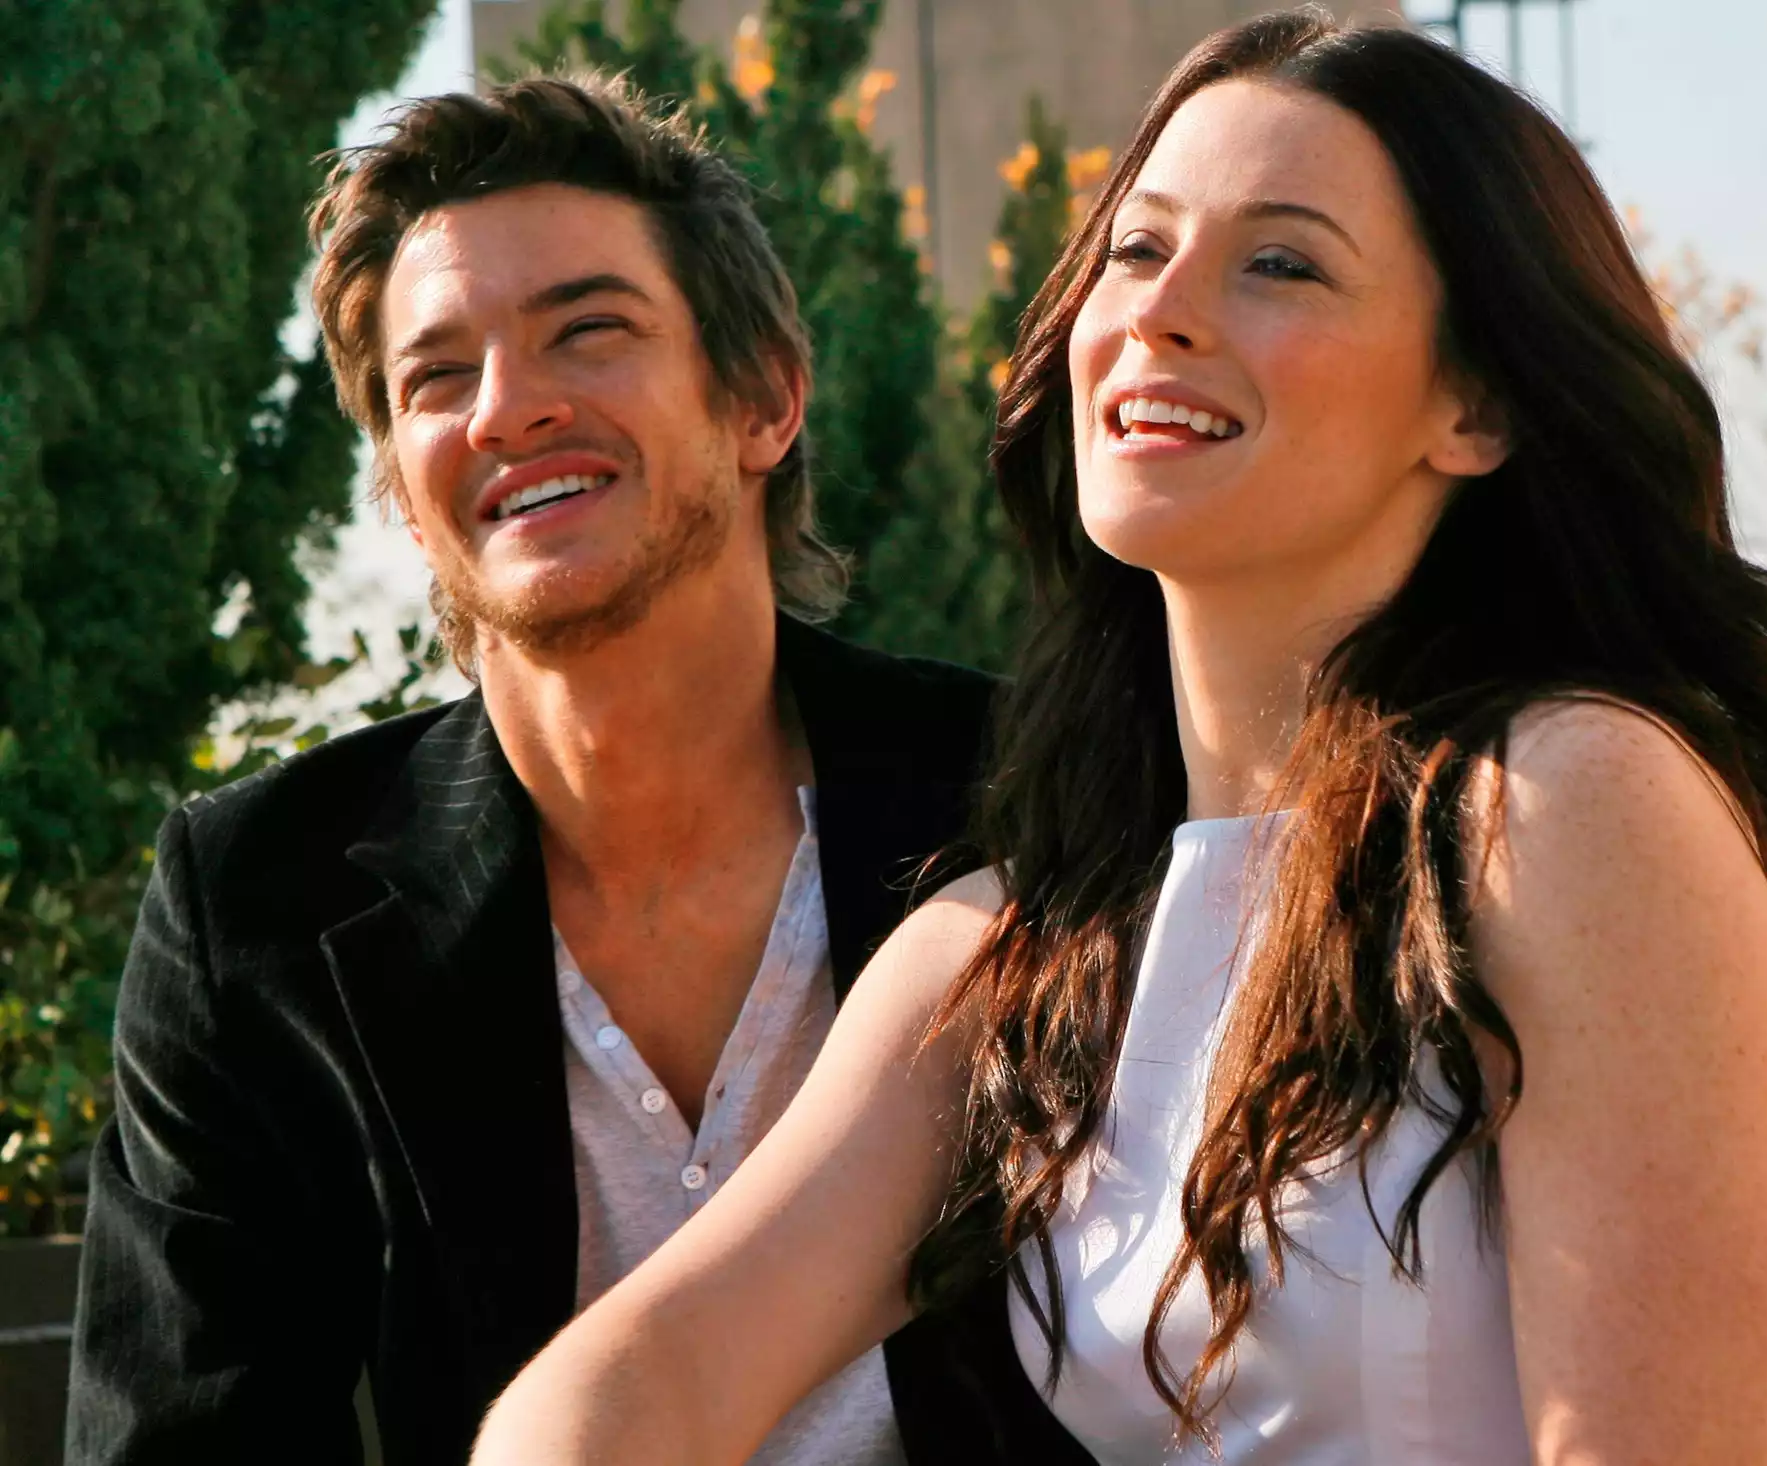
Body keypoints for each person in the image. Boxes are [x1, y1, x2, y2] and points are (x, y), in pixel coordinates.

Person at [470, 12, 1767, 1466]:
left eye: (1281, 263)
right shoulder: (1023, 947)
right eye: (1136, 248)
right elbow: (644, 1371)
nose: (1159, 312)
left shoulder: (1564, 804)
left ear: (1474, 403)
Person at [65, 74, 1089, 1466]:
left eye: (587, 331)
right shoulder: (257, 904)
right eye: (436, 378)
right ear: (403, 486)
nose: (506, 410)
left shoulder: (1033, 799)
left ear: (764, 399)